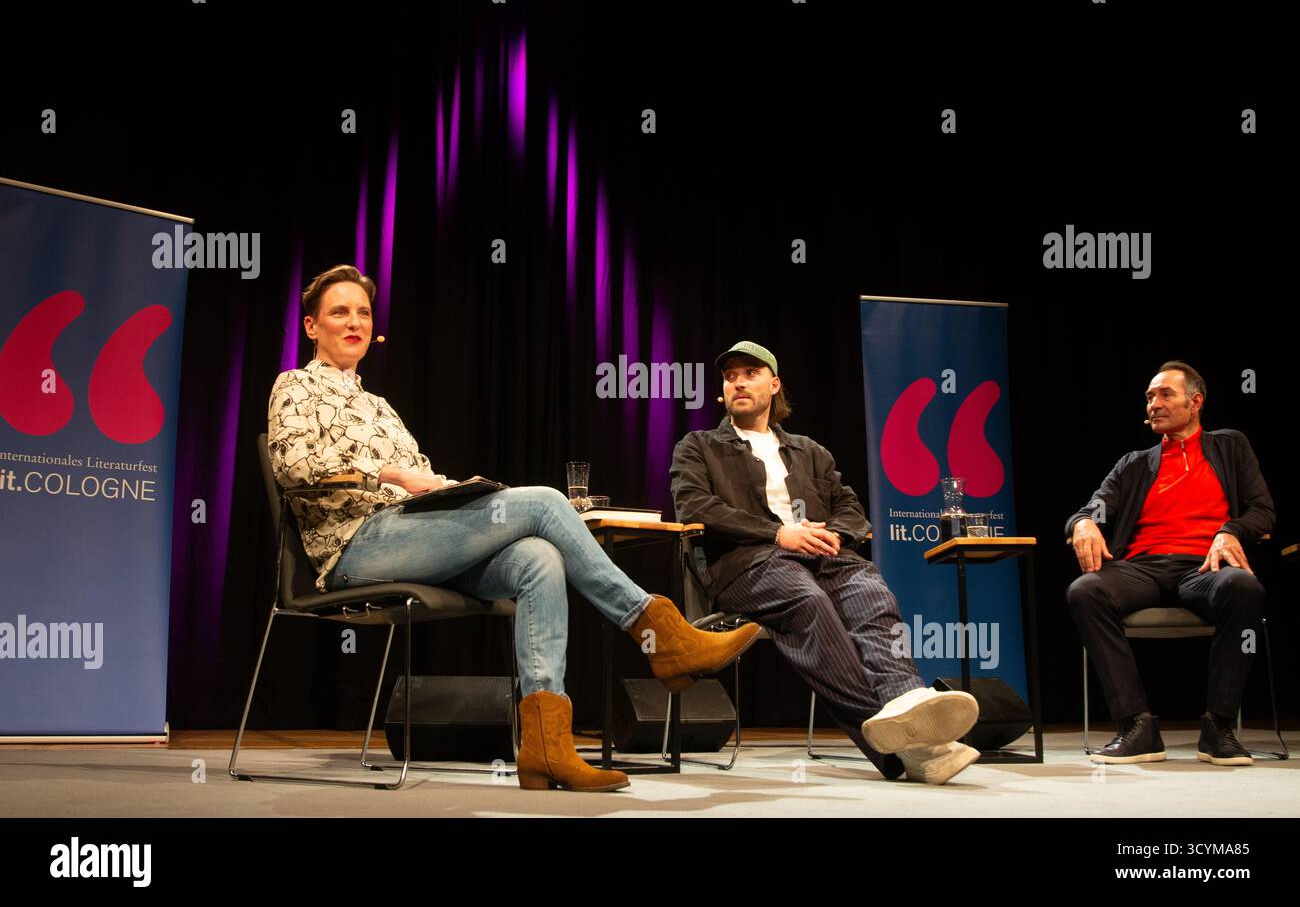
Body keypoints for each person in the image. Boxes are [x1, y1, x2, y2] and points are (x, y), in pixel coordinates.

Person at [268, 265, 759, 791]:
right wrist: (387, 472)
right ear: (311, 327)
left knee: (538, 559)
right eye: (339, 313)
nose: (354, 322)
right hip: (356, 549)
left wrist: (448, 488)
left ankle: (546, 749)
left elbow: (420, 477)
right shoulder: (295, 386)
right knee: (546, 503)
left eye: (363, 313)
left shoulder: (379, 406)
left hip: (413, 534)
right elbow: (292, 465)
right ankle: (658, 633)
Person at [670, 341, 980, 785]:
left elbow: (851, 509)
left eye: (750, 373)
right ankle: (914, 746)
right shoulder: (699, 446)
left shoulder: (809, 451)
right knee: (808, 601)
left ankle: (906, 703)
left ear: (774, 385)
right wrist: (780, 533)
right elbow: (696, 507)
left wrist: (834, 535)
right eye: (730, 375)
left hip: (822, 557)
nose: (737, 381)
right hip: (747, 564)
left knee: (872, 593)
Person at [1065, 360, 1274, 765]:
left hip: (1203, 567)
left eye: (1165, 394)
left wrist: (1229, 531)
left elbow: (1263, 511)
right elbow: (1092, 507)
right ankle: (1136, 725)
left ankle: (1219, 728)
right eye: (1149, 397)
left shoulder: (1230, 446)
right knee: (1085, 591)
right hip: (1142, 568)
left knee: (1244, 586)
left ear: (1195, 402)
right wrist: (1084, 522)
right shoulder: (1134, 463)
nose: (1153, 404)